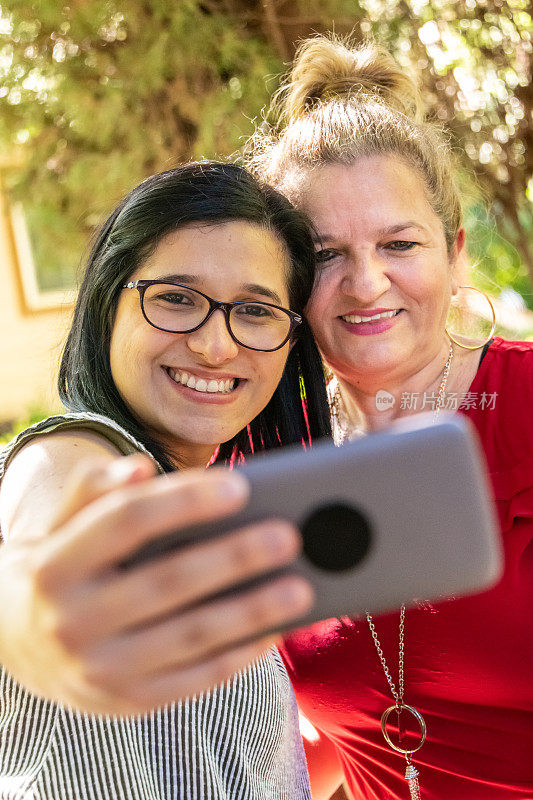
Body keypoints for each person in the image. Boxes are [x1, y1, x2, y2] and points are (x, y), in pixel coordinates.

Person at [248, 34, 533, 800]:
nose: (365, 284)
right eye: (325, 253)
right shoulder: (268, 453)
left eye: (398, 243)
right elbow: (340, 734)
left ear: (454, 252)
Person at [0, 161, 332, 799]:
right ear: (108, 307)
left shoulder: (209, 502)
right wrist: (31, 623)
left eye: (256, 311)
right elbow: (37, 556)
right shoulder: (79, 454)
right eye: (176, 298)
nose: (214, 346)